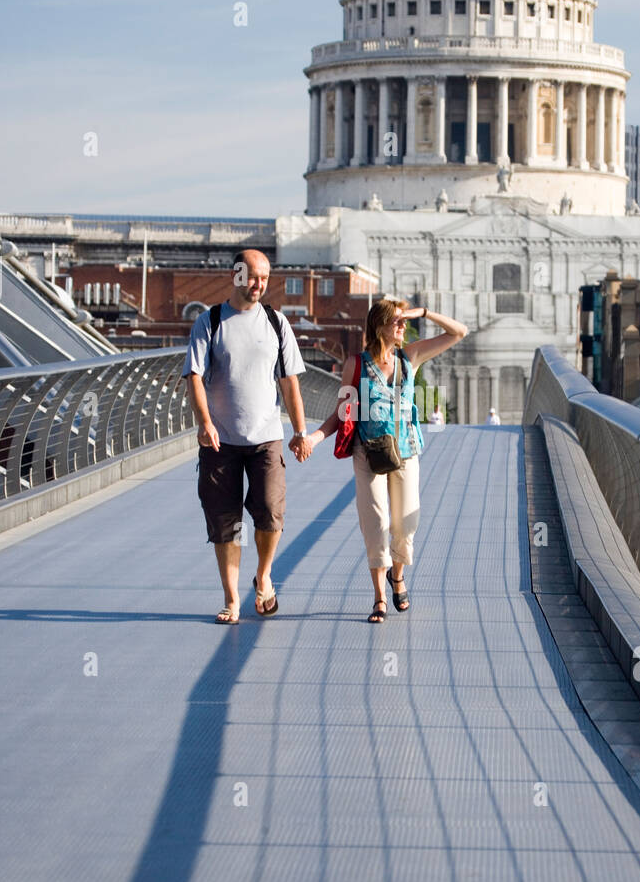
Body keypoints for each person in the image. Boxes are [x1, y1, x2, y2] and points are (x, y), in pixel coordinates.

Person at [307, 299, 467, 622]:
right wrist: (314, 438)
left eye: (403, 321)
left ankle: (398, 575)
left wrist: (421, 313)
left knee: (405, 523)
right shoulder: (357, 364)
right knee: (376, 523)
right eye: (396, 321)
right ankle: (380, 597)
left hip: (405, 452)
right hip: (368, 454)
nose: (401, 326)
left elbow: (459, 332)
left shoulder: (410, 359)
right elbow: (342, 413)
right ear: (378, 324)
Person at [183, 250, 311, 623]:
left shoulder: (276, 322)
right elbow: (193, 375)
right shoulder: (210, 321)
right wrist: (204, 422)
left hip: (266, 438)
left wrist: (301, 431)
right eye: (253, 277)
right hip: (220, 440)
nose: (259, 285)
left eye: (265, 278)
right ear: (236, 275)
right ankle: (231, 599)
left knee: (270, 512)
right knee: (225, 521)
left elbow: (290, 382)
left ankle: (264, 574)